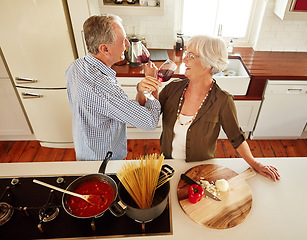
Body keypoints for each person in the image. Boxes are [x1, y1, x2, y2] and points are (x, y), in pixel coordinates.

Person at [146, 35, 280, 181]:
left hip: (200, 171)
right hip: (167, 165)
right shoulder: (173, 88)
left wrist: (255, 163)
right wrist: (147, 88)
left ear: (207, 64)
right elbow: (150, 115)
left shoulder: (222, 100)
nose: (184, 59)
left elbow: (236, 138)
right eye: (186, 54)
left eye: (190, 55)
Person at [65, 14, 161, 161]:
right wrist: (153, 83)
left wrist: (141, 90)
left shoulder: (77, 66)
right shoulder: (102, 88)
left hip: (84, 148)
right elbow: (149, 122)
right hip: (103, 160)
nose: (128, 44)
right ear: (104, 49)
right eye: (123, 40)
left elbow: (118, 107)